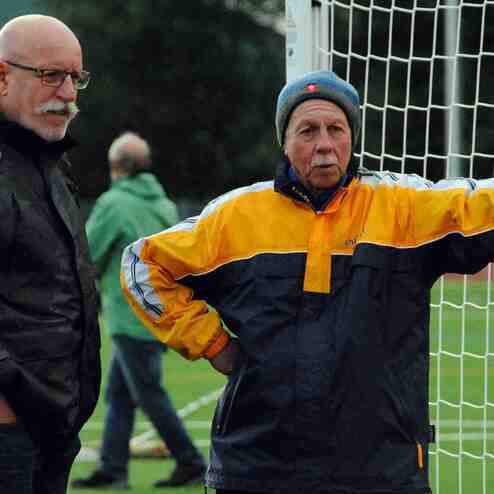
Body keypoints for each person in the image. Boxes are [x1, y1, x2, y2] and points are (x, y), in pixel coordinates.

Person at [120, 69, 494, 494]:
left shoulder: (403, 208)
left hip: (380, 469)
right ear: (284, 141)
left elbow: (479, 206)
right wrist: (213, 344)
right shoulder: (236, 217)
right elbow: (141, 264)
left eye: (336, 129)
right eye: (307, 130)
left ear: (352, 138)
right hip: (258, 466)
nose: (324, 144)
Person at [0, 14, 101, 494]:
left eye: (75, 78)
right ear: (2, 77)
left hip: (54, 423)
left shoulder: (51, 166)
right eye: (50, 75)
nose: (67, 93)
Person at [71, 131, 206, 490]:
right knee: (120, 394)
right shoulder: (164, 205)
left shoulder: (114, 203)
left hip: (130, 316)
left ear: (116, 167)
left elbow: (87, 256)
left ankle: (191, 461)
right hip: (161, 315)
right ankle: (113, 470)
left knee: (149, 395)